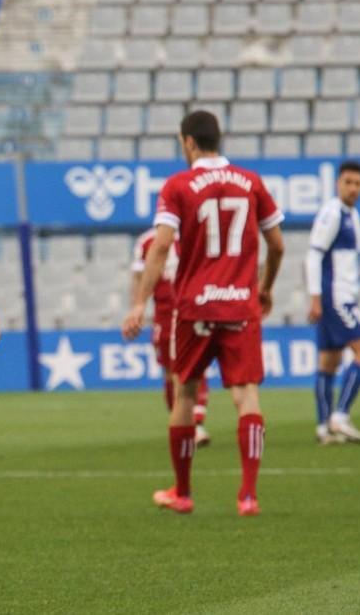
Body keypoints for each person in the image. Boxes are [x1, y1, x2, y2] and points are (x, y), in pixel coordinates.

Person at [123, 111, 284, 517]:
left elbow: (159, 248)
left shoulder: (178, 185)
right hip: (240, 305)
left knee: (186, 392)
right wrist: (264, 288)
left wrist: (140, 303)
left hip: (194, 306)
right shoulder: (251, 182)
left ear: (189, 142)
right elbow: (278, 245)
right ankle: (248, 495)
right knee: (246, 396)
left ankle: (183, 491)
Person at [306, 161, 360, 444]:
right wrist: (315, 297)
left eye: (358, 183)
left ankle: (323, 427)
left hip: (341, 294)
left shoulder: (351, 214)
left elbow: (347, 260)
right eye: (348, 182)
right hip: (336, 297)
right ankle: (340, 417)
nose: (353, 188)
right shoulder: (332, 213)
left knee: (329, 362)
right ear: (338, 183)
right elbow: (314, 255)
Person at [131, 229, 211, 446]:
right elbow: (138, 279)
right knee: (170, 371)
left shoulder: (194, 233)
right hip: (164, 315)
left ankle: (196, 424)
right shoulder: (146, 241)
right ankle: (179, 422)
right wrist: (136, 308)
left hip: (193, 310)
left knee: (196, 365)